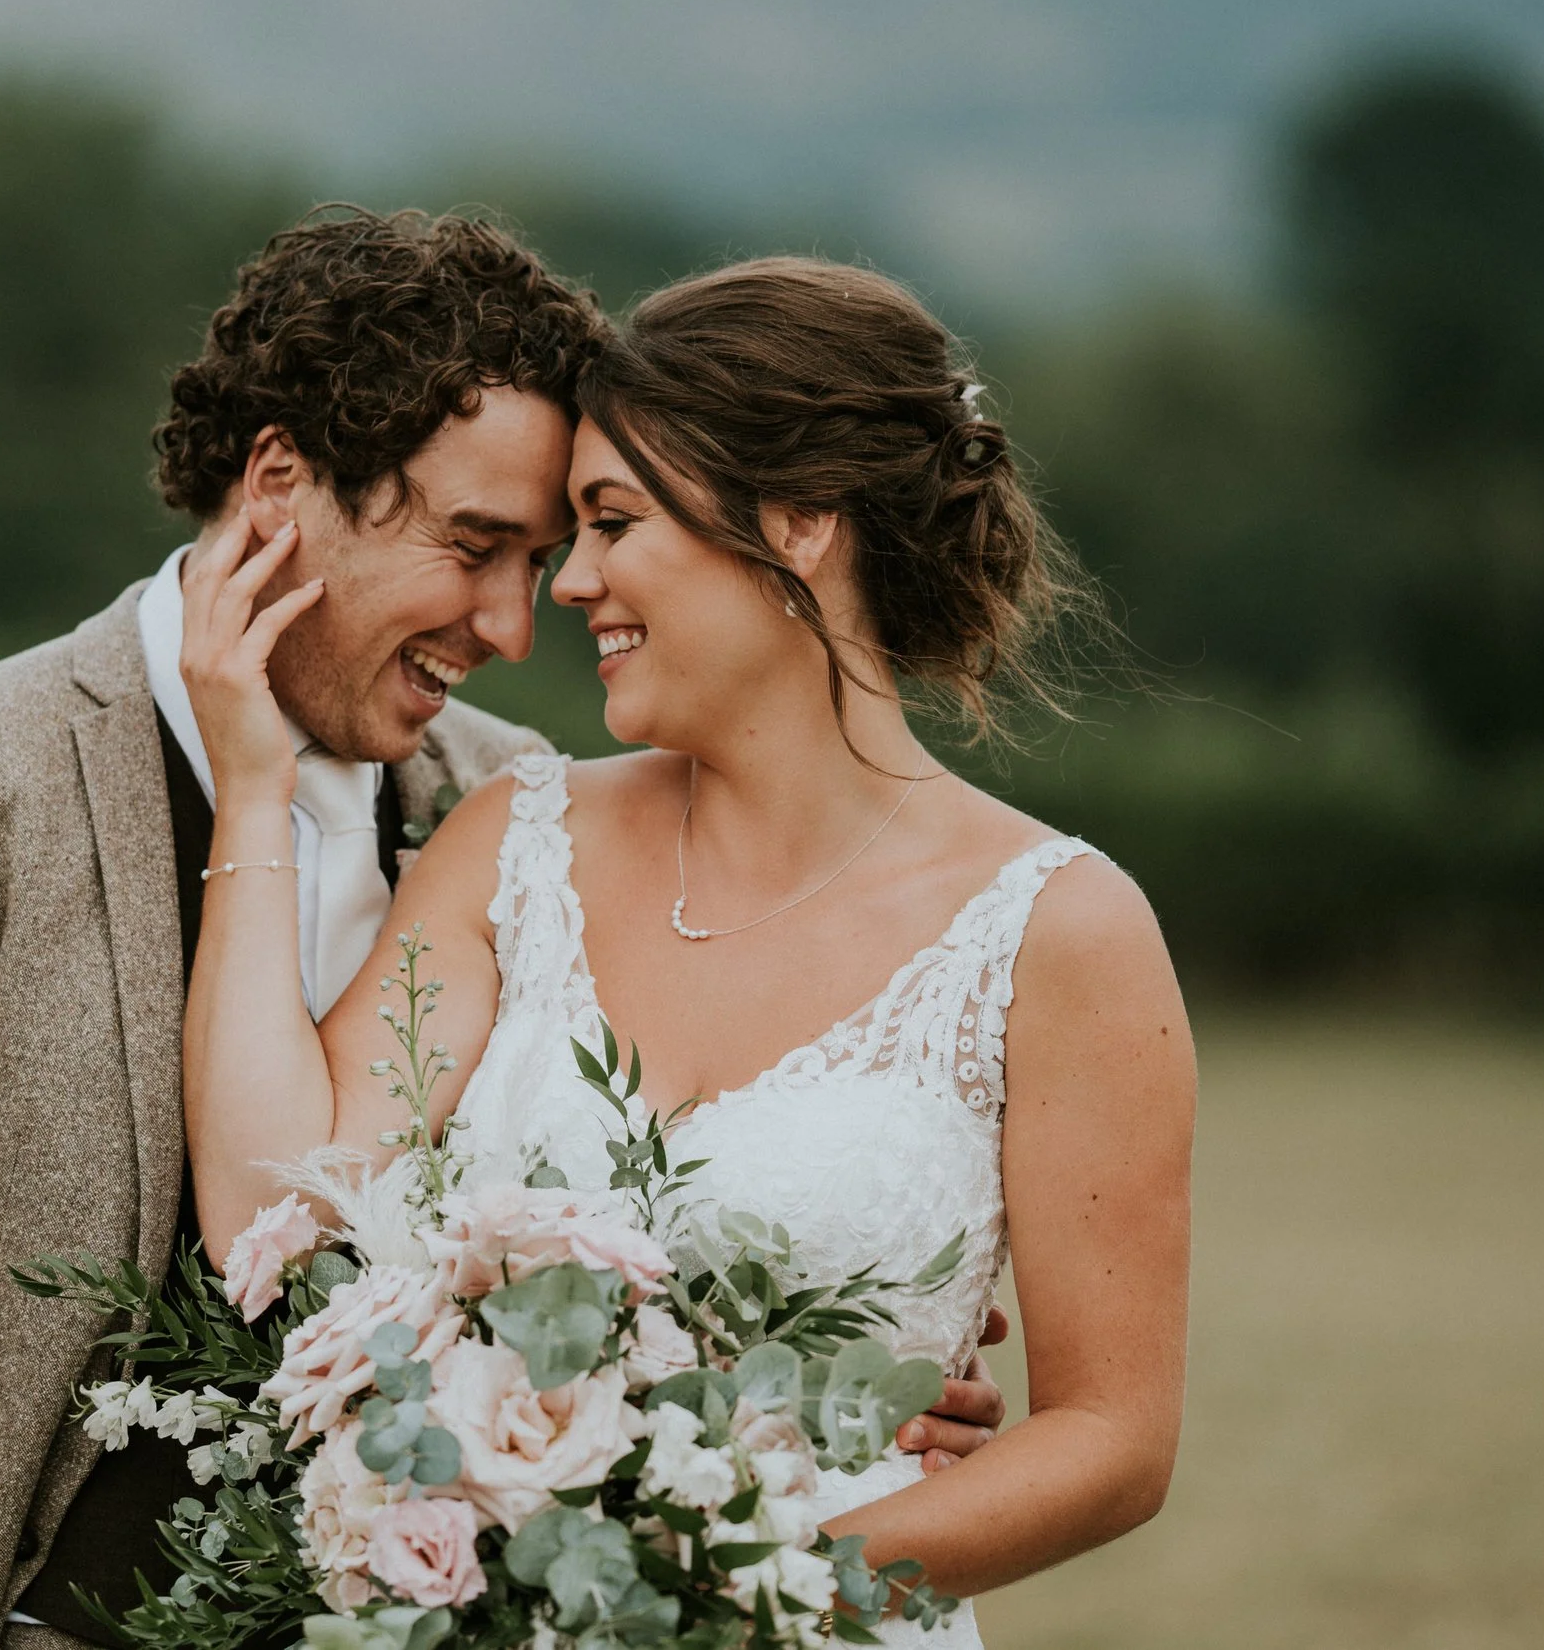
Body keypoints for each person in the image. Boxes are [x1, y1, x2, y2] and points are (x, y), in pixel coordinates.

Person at [0, 213, 1007, 1650]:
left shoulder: (512, 810)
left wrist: (823, 1367)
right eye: (475, 545)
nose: (517, 624)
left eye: (550, 556)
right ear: (279, 484)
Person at [180, 255, 1196, 1646]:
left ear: (801, 519)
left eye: (610, 522)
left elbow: (1109, 1438)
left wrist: (714, 1596)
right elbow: (270, 1215)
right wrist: (253, 790)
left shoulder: (1061, 929)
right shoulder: (511, 842)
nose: (570, 584)